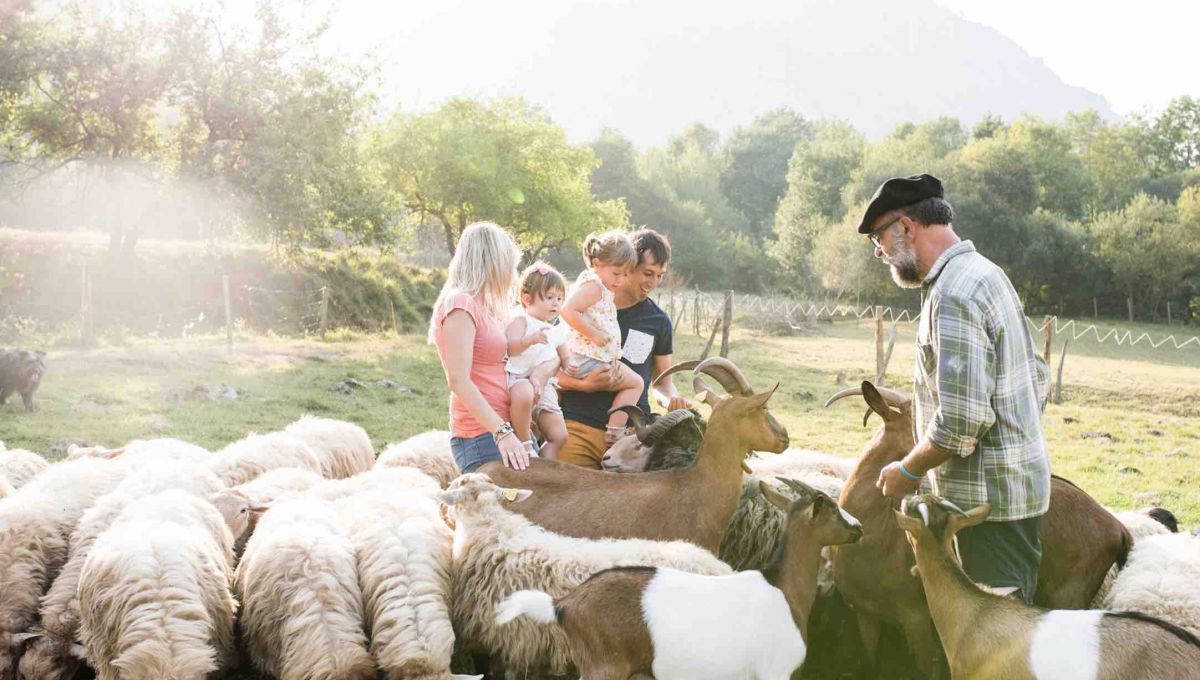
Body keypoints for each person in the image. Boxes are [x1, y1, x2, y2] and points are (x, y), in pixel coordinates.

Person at [868, 174, 1052, 604]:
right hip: (1009, 496)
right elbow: (1037, 376)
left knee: (995, 654)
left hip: (986, 511)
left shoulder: (952, 293)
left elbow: (962, 419)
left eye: (879, 237)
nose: (879, 252)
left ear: (907, 227)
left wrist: (908, 471)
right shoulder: (985, 273)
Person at [557, 228, 692, 469]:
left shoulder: (658, 321)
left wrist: (672, 399)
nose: (653, 283)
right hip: (577, 427)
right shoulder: (583, 307)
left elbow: (661, 381)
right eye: (648, 273)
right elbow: (549, 369)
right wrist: (583, 385)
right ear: (628, 265)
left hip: (631, 438)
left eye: (660, 275)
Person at [428, 222, 530, 473]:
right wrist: (502, 432)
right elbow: (458, 380)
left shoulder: (486, 307)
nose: (512, 272)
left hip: (503, 427)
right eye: (508, 263)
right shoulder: (460, 304)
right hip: (482, 434)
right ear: (493, 261)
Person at [559, 230, 645, 445]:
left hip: (589, 357)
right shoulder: (594, 287)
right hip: (589, 359)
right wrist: (594, 334)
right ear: (597, 263)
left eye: (626, 274)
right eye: (617, 273)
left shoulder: (597, 285)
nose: (621, 280)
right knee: (635, 383)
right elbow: (567, 310)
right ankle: (615, 433)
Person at [505, 261, 570, 460]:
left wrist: (569, 363)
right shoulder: (521, 320)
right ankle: (525, 444)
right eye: (549, 297)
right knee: (524, 394)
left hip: (546, 387)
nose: (555, 303)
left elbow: (563, 353)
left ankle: (544, 468)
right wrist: (529, 340)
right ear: (527, 299)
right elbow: (511, 348)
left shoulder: (554, 329)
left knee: (560, 435)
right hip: (519, 379)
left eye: (560, 298)